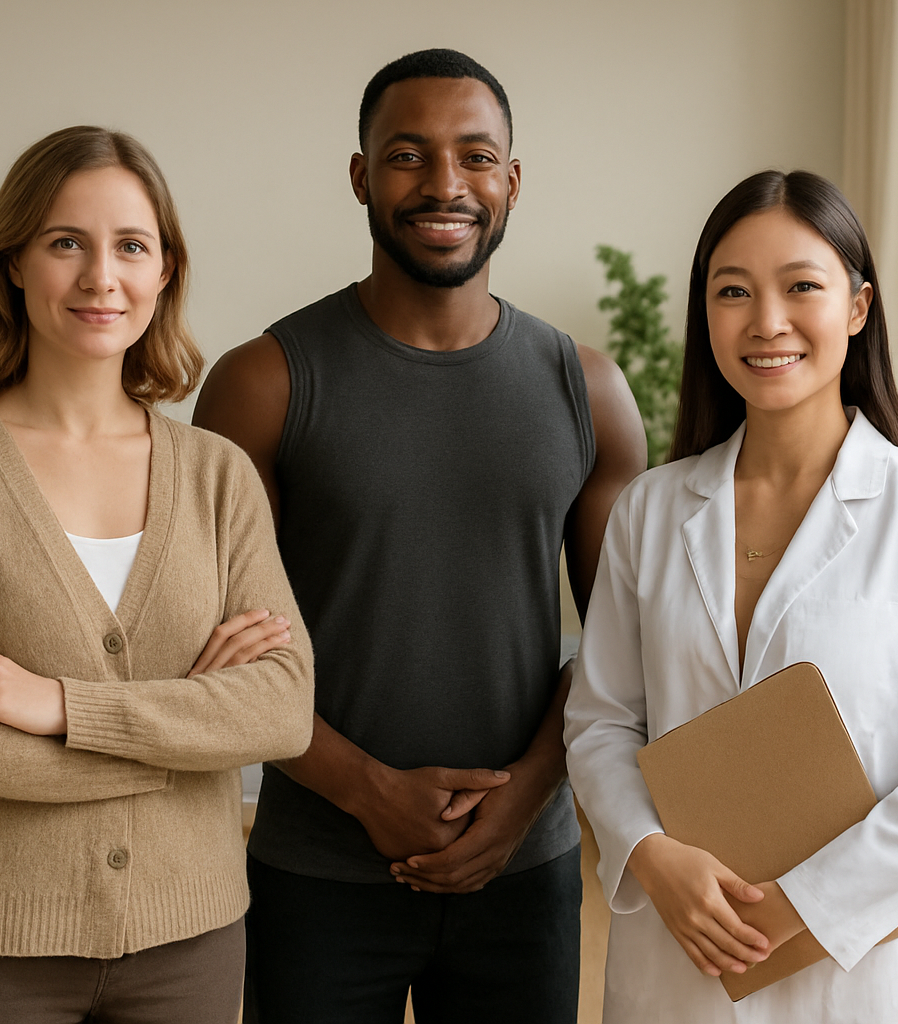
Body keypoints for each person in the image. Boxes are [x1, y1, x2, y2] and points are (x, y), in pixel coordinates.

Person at [194, 48, 647, 1024]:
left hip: (523, 875)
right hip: (314, 870)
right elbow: (215, 644)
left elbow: (628, 643)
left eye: (475, 156)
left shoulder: (590, 391)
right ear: (360, 175)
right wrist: (365, 791)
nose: (445, 183)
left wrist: (525, 796)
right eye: (408, 154)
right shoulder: (261, 384)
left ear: (511, 181)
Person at [0, 125, 314, 1024]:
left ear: (163, 274)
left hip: (189, 939)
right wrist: (189, 738)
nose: (100, 276)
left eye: (131, 246)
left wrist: (58, 705)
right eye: (65, 241)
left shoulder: (217, 473)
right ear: (14, 265)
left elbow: (282, 708)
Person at [564, 170, 898, 1023]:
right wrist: (653, 855)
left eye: (801, 286)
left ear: (857, 305)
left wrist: (806, 904)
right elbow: (601, 722)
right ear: (706, 314)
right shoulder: (651, 510)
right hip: (677, 964)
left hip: (860, 976)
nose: (766, 321)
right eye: (732, 291)